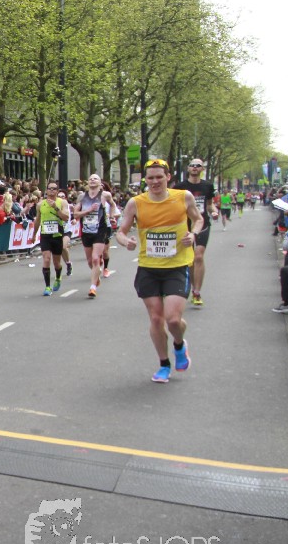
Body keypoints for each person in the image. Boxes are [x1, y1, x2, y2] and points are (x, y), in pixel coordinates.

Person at [115, 158, 204, 383]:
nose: (154, 182)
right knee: (156, 319)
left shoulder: (183, 197)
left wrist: (193, 234)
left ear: (168, 178)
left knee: (173, 320)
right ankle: (164, 364)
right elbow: (120, 232)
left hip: (177, 266)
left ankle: (179, 345)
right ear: (145, 180)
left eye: (159, 177)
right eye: (150, 178)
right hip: (149, 267)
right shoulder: (136, 203)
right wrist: (126, 242)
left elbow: (198, 219)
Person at [172, 159, 219, 307]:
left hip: (202, 223)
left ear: (202, 169)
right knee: (190, 259)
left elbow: (209, 204)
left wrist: (214, 211)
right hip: (185, 226)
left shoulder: (207, 186)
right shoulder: (179, 187)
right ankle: (193, 288)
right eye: (192, 165)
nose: (194, 167)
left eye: (198, 166)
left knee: (199, 256)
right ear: (188, 168)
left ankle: (197, 292)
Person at [74, 174, 116, 299]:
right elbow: (76, 214)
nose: (92, 180)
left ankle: (93, 287)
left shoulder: (105, 195)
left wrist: (112, 217)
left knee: (96, 259)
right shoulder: (82, 196)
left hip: (100, 230)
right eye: (91, 178)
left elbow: (113, 205)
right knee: (90, 261)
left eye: (95, 178)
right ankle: (96, 275)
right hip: (86, 231)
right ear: (88, 182)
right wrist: (89, 210)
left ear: (100, 182)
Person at [33, 181, 69, 295]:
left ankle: (58, 277)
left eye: (54, 189)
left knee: (57, 262)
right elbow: (37, 220)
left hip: (57, 235)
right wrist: (34, 234)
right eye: (50, 188)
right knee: (46, 259)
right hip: (45, 235)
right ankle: (47, 287)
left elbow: (66, 218)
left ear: (57, 191)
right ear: (46, 190)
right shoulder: (40, 204)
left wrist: (56, 208)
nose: (52, 190)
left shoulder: (62, 202)